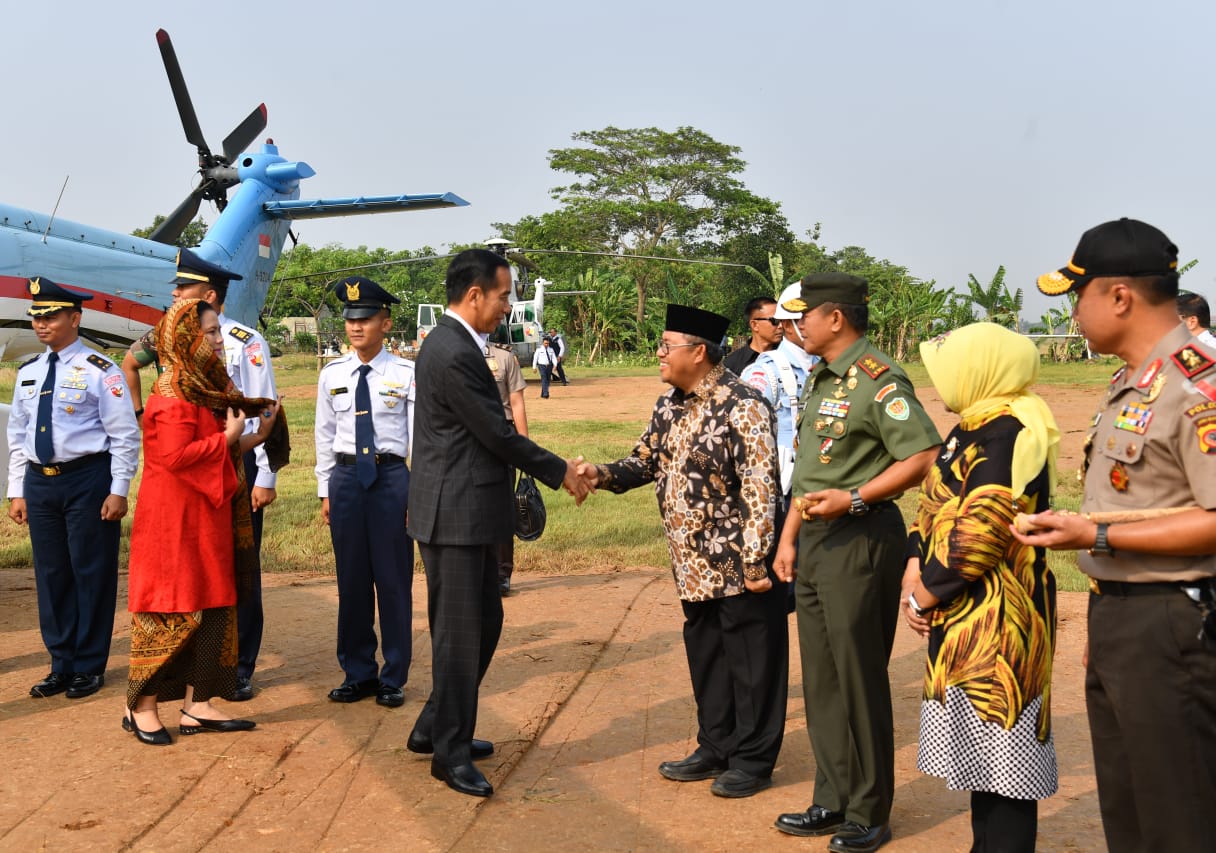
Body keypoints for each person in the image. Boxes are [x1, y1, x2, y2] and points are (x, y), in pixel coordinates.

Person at [1012, 218, 1216, 853]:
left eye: (1079, 295)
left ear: (1120, 296)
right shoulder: (1133, 380)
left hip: (1174, 622)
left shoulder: (1198, 384)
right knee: (1128, 815)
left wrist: (1093, 534)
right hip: (1124, 620)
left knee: (1179, 820)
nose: (1073, 312)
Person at [580, 304, 787, 798]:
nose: (658, 352)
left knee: (752, 663)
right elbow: (645, 461)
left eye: (666, 345)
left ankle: (753, 761)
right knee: (708, 656)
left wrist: (755, 561)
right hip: (692, 563)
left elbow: (760, 487)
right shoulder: (669, 404)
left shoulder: (743, 404)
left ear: (698, 352)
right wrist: (598, 475)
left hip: (738, 563)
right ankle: (715, 746)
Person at [406, 248, 590, 798]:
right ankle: (450, 754)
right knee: (462, 636)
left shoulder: (458, 344)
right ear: (474, 295)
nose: (508, 306)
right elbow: (496, 432)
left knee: (483, 625)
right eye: (504, 296)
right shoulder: (452, 350)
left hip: (469, 510)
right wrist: (561, 471)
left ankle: (434, 725)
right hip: (455, 514)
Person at [772, 273, 940, 853]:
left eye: (804, 316)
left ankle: (869, 810)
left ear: (835, 318)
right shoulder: (823, 376)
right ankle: (833, 797)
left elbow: (923, 454)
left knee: (858, 677)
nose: (796, 326)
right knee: (822, 678)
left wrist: (857, 497)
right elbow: (810, 471)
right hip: (816, 539)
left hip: (861, 539)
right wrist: (789, 539)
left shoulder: (878, 378)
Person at [903, 323, 1061, 852]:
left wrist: (922, 595)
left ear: (979, 370)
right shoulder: (971, 426)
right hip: (962, 610)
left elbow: (980, 534)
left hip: (999, 619)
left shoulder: (1007, 434)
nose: (940, 381)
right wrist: (914, 565)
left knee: (1005, 760)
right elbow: (931, 506)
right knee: (984, 759)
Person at [122, 249, 279, 703]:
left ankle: (212, 691)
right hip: (182, 504)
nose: (174, 293)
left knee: (225, 583)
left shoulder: (228, 355)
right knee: (178, 596)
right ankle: (147, 703)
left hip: (218, 486)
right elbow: (175, 453)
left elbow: (251, 408)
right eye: (209, 335)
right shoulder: (173, 380)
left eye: (183, 287)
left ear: (208, 296)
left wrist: (256, 448)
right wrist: (228, 437)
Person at [7, 276, 140, 700]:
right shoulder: (29, 371)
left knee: (90, 570)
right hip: (39, 482)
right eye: (36, 317)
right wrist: (16, 489)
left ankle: (88, 665)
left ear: (75, 318)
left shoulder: (101, 370)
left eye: (50, 317)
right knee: (51, 575)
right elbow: (18, 434)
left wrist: (119, 489)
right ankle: (60, 663)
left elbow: (124, 435)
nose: (41, 325)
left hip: (87, 479)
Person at [315, 276, 415, 709]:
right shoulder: (332, 374)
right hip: (346, 480)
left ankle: (393, 676)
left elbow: (421, 438)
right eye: (351, 319)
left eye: (366, 319)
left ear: (385, 323)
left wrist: (417, 494)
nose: (356, 326)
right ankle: (358, 674)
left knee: (393, 580)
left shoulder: (406, 374)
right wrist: (325, 490)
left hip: (391, 480)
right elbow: (324, 435)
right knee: (352, 581)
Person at [739, 282, 820, 499]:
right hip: (784, 482)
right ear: (787, 324)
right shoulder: (767, 371)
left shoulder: (826, 365)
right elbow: (746, 435)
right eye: (804, 319)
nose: (813, 326)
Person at [487, 341, 530, 596]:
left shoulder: (503, 358)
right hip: (465, 437)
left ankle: (502, 572)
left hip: (503, 433)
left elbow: (517, 402)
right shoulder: (453, 352)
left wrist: (525, 449)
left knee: (502, 506)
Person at [723, 296, 781, 375]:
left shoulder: (790, 356)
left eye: (782, 320)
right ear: (754, 325)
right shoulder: (732, 365)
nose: (781, 326)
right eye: (775, 320)